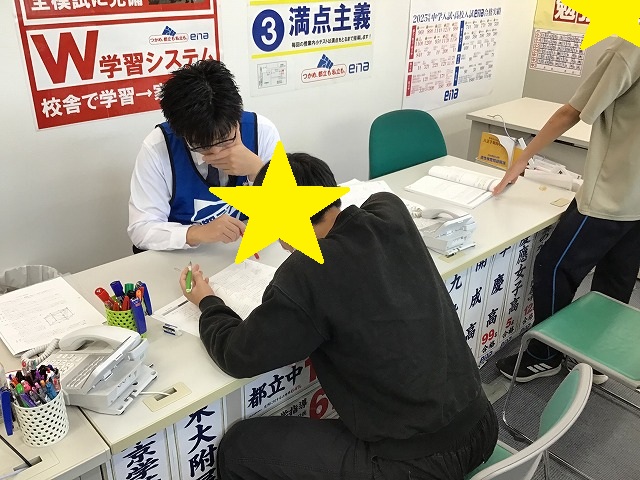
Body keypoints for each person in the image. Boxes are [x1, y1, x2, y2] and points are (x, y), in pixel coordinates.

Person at [179, 153, 498, 480]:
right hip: (482, 425)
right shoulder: (391, 211)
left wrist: (207, 301)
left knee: (239, 447)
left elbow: (237, 355)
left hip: (414, 466)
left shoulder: (306, 272)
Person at [493, 38, 640, 384]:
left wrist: (523, 159)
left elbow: (571, 112)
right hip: (636, 197)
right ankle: (596, 358)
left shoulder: (628, 49)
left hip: (611, 193)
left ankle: (545, 355)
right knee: (616, 277)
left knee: (553, 266)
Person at [128, 59, 280, 252]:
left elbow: (285, 214)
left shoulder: (262, 132)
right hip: (185, 257)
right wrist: (196, 233)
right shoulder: (158, 147)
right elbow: (141, 229)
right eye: (202, 145)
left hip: (245, 252)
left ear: (237, 118)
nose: (216, 152)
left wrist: (258, 171)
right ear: (180, 132)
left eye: (225, 139)